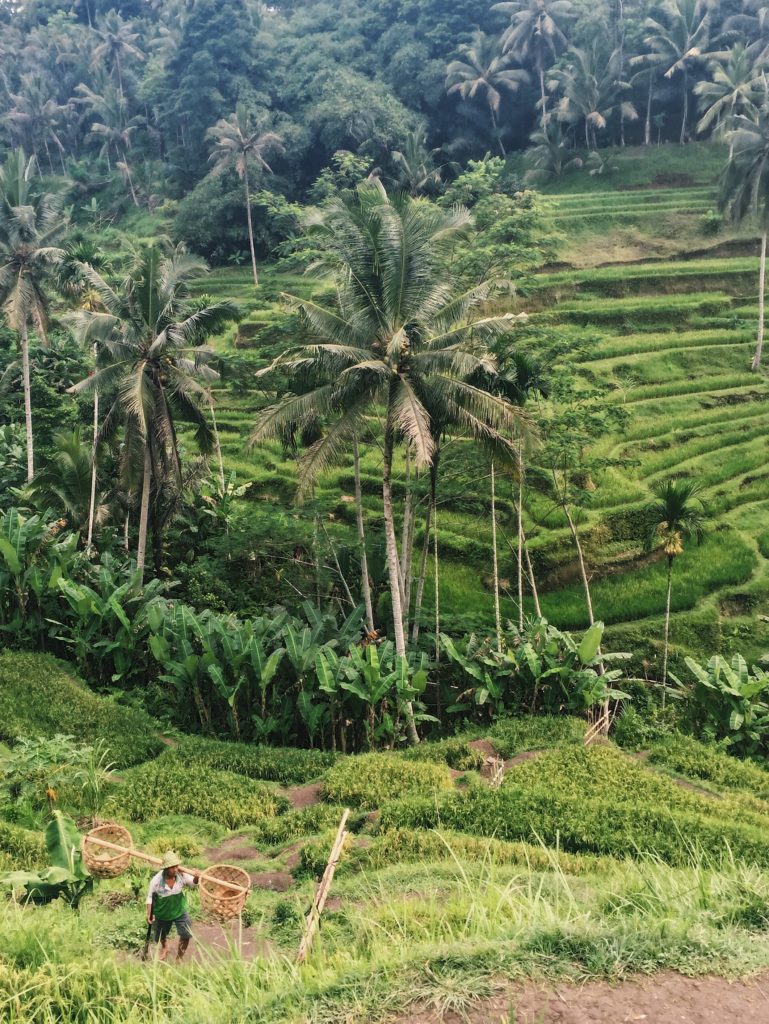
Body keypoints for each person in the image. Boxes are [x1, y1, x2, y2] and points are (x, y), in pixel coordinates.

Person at [146, 850, 199, 962]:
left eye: (176, 866)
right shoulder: (156, 881)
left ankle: (179, 958)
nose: (175, 869)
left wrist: (196, 878)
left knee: (185, 934)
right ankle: (165, 946)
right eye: (172, 867)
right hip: (162, 912)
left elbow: (193, 884)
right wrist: (149, 913)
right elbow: (150, 898)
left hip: (179, 910)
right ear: (165, 868)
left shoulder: (181, 874)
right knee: (160, 934)